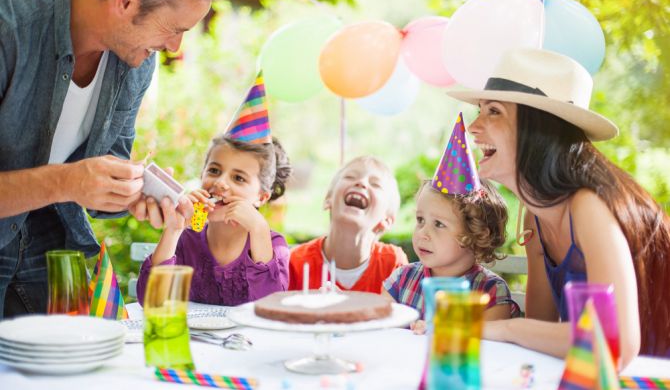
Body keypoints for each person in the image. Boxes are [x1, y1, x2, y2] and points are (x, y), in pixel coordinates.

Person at [0, 0, 230, 317]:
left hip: (55, 245)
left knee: (86, 365)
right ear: (127, 1)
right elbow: (70, 181)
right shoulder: (8, 27)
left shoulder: (137, 64)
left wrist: (131, 193)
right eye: (174, 29)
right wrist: (64, 182)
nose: (174, 47)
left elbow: (98, 178)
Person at [447, 48, 670, 363]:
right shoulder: (534, 217)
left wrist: (505, 328)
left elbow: (613, 345)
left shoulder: (589, 207)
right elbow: (542, 329)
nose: (473, 126)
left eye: (493, 111)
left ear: (538, 128)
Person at [383, 113, 520, 334]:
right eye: (420, 220)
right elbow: (380, 331)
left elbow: (492, 351)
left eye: (438, 224)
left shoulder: (490, 292)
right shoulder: (402, 280)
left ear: (475, 233)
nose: (423, 233)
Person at [136, 134, 292, 305]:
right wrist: (174, 230)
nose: (220, 182)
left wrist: (259, 228)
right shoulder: (186, 240)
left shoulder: (274, 244)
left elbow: (270, 307)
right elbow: (152, 302)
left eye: (238, 178)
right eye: (214, 171)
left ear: (262, 197)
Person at [288, 156, 408, 293]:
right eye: (350, 177)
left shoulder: (393, 265)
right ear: (328, 199)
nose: (362, 182)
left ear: (387, 219)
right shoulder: (295, 262)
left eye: (375, 184)